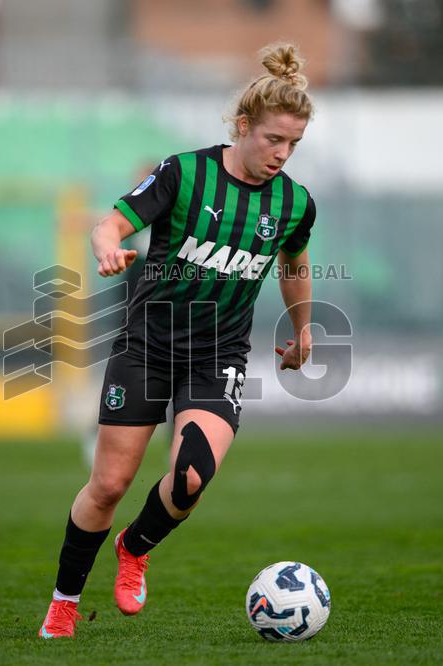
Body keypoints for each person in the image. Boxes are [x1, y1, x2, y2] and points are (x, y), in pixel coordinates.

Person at [39, 42, 318, 638]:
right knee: (109, 485)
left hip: (219, 355)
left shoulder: (295, 203)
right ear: (243, 126)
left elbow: (294, 264)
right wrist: (108, 248)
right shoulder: (184, 173)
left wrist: (302, 331)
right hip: (147, 347)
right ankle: (64, 603)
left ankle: (134, 547)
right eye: (274, 139)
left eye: (293, 143)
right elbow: (111, 223)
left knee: (191, 478)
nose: (282, 153)